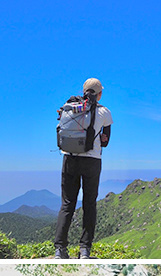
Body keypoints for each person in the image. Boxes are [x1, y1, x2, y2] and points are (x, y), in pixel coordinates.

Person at [54, 77, 113, 259]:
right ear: (100, 93)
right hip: (92, 162)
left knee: (67, 204)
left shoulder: (68, 107)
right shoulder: (104, 112)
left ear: (84, 90)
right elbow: (106, 142)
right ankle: (84, 250)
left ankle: (60, 250)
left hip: (69, 159)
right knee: (89, 204)